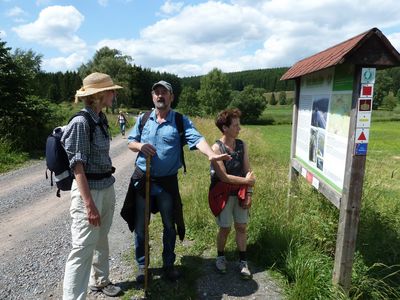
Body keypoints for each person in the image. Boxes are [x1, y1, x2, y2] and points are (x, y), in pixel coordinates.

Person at [123, 80, 230, 283]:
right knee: (140, 226)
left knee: (169, 225)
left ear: (171, 97)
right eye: (157, 93)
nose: (160, 96)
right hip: (142, 181)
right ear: (152, 97)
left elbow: (197, 139)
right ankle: (142, 265)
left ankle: (168, 265)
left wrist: (210, 155)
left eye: (164, 92)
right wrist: (140, 146)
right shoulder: (144, 118)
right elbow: (130, 141)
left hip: (166, 184)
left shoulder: (180, 120)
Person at [62, 72, 122, 299]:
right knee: (82, 248)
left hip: (106, 186)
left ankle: (100, 281)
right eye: (111, 90)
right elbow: (77, 167)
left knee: (101, 238)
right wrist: (88, 204)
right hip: (90, 191)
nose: (114, 94)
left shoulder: (101, 118)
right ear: (98, 95)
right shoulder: (81, 122)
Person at [210, 108, 255, 279]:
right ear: (225, 128)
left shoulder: (242, 145)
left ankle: (243, 262)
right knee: (225, 228)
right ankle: (220, 257)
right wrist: (247, 182)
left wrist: (248, 193)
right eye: (236, 125)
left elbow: (248, 171)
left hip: (241, 193)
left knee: (242, 226)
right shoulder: (216, 148)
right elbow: (224, 177)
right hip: (222, 195)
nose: (239, 128)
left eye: (239, 124)